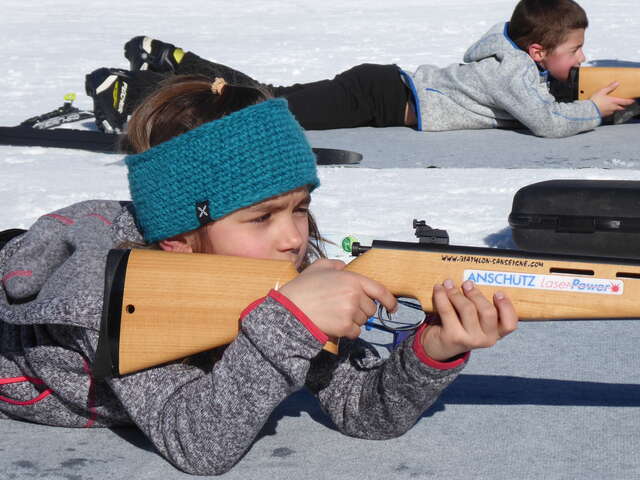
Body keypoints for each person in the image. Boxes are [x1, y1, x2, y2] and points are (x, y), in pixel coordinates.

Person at [0, 75, 518, 475]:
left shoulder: (278, 273)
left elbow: (361, 410)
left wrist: (434, 349)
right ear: (178, 239)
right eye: (261, 217)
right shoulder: (115, 300)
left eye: (299, 208)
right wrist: (290, 323)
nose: (293, 237)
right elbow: (196, 443)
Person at [85, 0, 636, 139]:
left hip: (381, 87)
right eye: (575, 51)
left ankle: (176, 64)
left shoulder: (515, 57)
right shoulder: (513, 72)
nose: (582, 60)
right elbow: (548, 122)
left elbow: (544, 94)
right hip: (375, 97)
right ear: (538, 52)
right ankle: (132, 96)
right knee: (262, 110)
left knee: (268, 95)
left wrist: (578, 90)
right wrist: (594, 108)